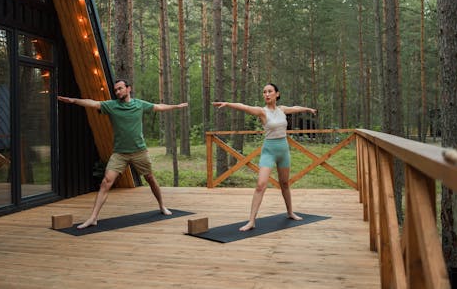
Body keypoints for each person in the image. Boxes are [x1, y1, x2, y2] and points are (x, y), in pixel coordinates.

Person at [58, 79, 188, 229]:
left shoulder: (139, 104)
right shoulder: (111, 106)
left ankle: (162, 206)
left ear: (128, 89)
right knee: (106, 182)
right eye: (116, 90)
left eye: (120, 89)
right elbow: (93, 103)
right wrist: (74, 100)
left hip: (139, 151)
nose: (118, 92)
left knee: (150, 178)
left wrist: (176, 106)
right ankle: (93, 218)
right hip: (119, 153)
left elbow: (159, 106)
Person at [212, 83, 317, 231]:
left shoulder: (282, 110)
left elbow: (295, 108)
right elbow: (244, 106)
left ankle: (290, 212)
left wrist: (308, 109)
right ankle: (251, 221)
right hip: (269, 151)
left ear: (277, 94)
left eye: (270, 91)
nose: (267, 94)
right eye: (264, 92)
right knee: (261, 185)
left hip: (283, 151)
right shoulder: (262, 112)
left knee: (285, 184)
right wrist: (228, 104)